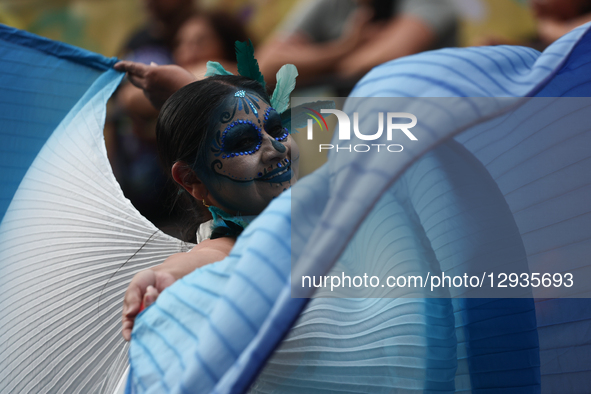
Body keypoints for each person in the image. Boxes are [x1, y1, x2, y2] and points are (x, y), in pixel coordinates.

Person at [115, 67, 299, 341]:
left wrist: (188, 88)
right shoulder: (237, 246)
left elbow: (233, 111)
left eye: (276, 128)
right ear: (191, 179)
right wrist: (162, 277)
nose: (277, 148)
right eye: (244, 142)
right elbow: (208, 258)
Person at [256, 0, 457, 86]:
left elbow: (384, 58)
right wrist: (345, 48)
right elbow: (264, 67)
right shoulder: (326, 5)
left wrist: (310, 64)